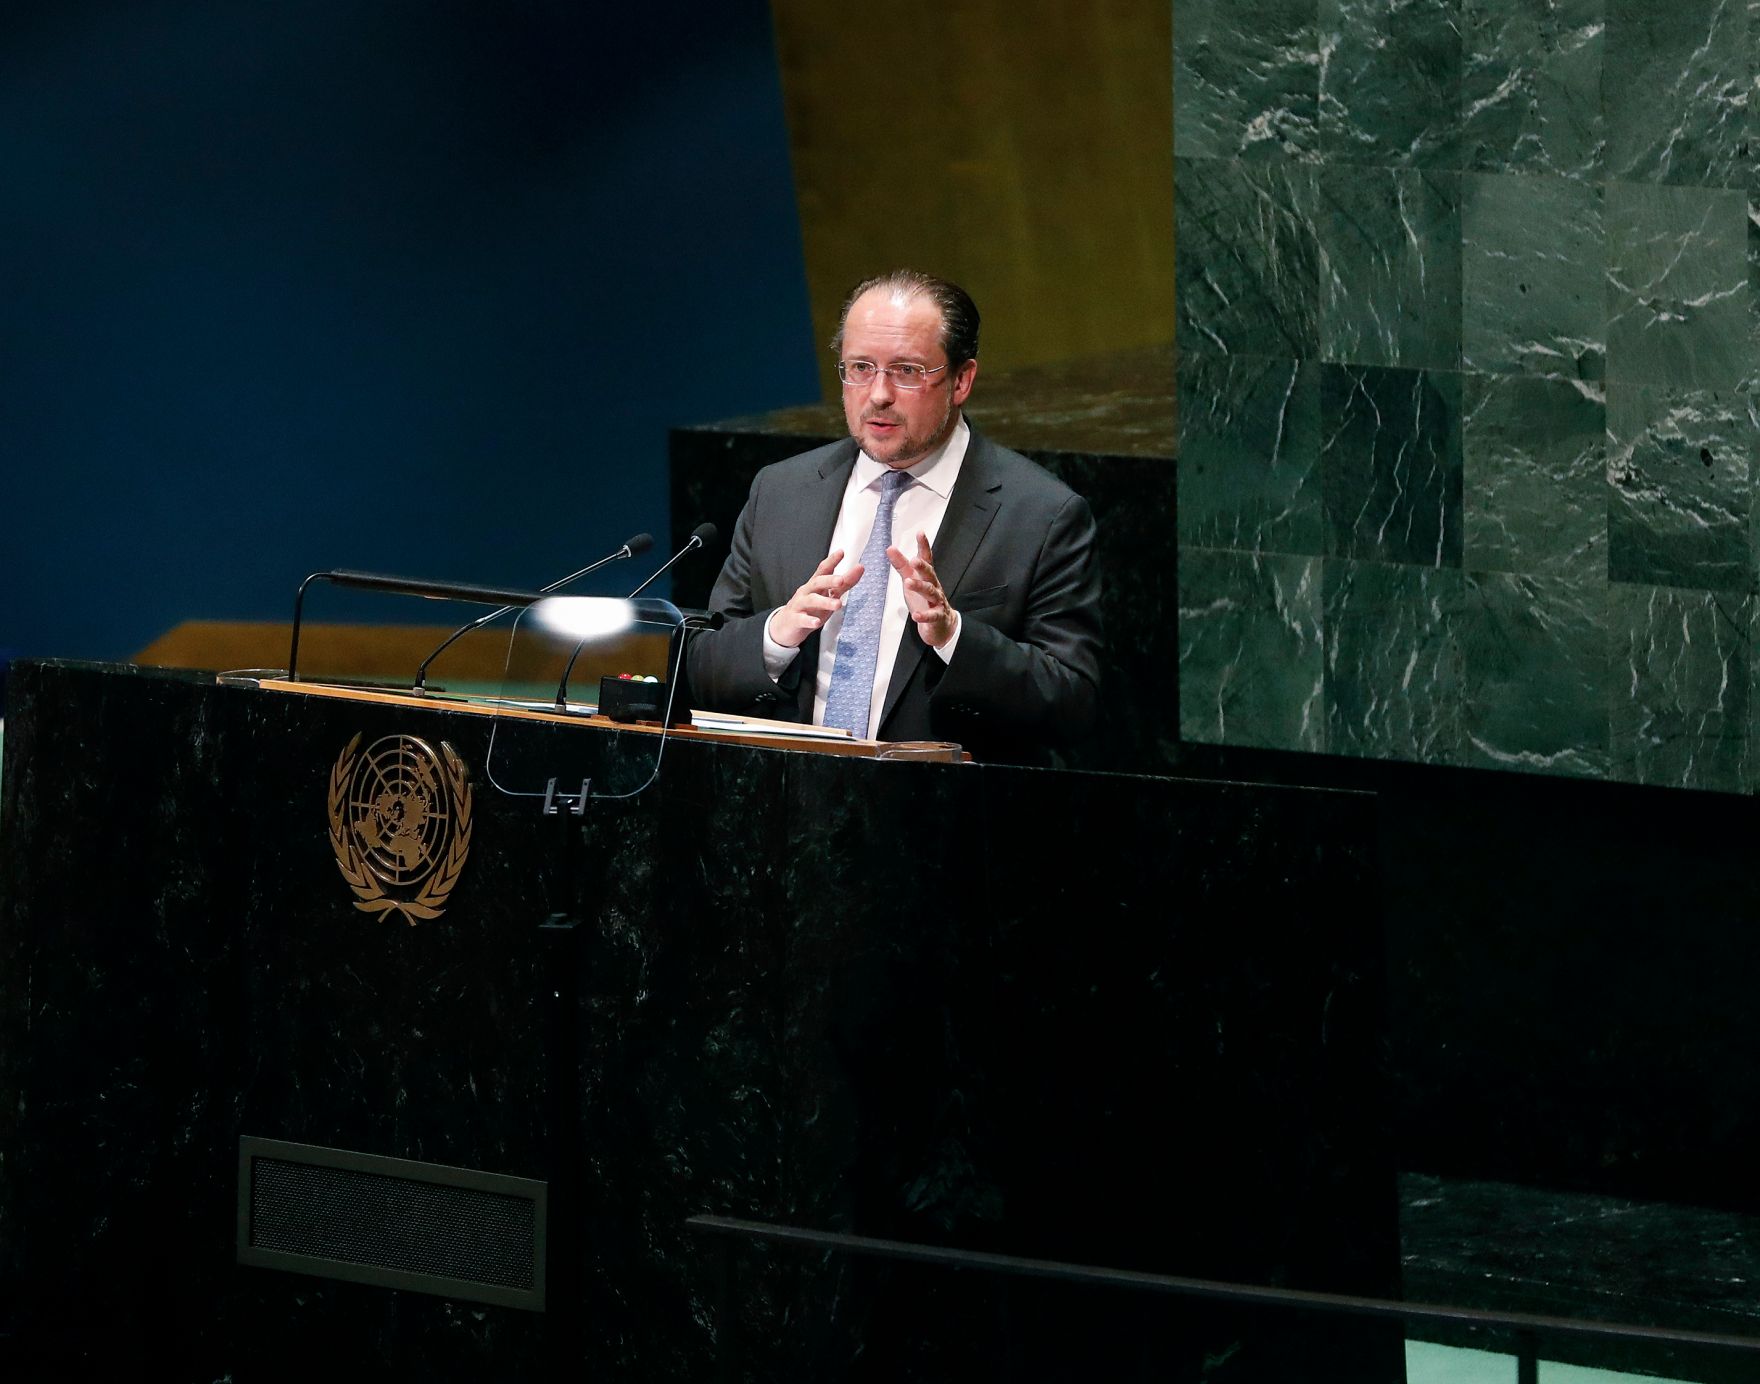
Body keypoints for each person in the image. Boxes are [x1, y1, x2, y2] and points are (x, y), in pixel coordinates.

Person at [686, 269, 1102, 764]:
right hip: (788, 813)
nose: (878, 394)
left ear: (962, 379)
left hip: (939, 822)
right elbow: (701, 669)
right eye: (860, 367)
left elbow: (1073, 702)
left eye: (906, 371)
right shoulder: (780, 491)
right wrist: (778, 633)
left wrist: (954, 636)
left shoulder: (1041, 515)